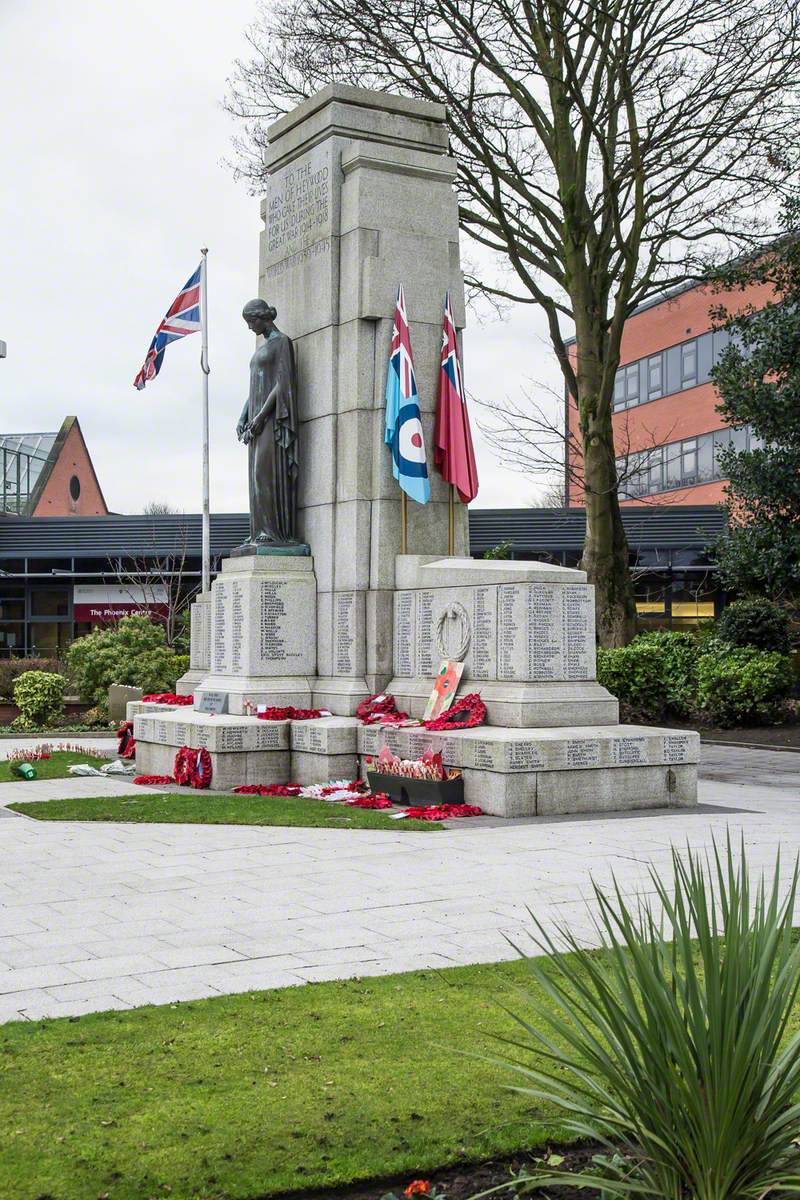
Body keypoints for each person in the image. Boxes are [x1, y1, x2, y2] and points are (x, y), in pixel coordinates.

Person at [236, 298, 299, 546]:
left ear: (263, 318)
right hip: (256, 422)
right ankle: (258, 530)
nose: (250, 327)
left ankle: (273, 532)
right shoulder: (261, 348)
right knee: (254, 478)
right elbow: (256, 386)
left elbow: (282, 383)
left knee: (264, 474)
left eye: (251, 321)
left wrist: (262, 416)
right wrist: (245, 415)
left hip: (272, 421)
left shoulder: (282, 343)